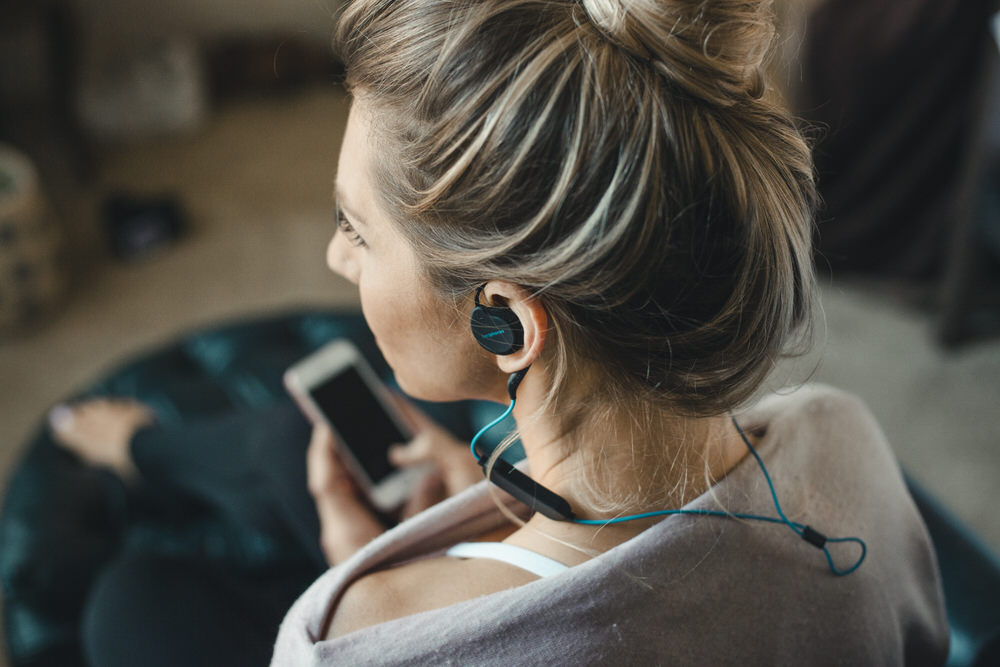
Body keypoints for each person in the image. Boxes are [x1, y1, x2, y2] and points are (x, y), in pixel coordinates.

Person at [50, 0, 948, 664]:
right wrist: (489, 521)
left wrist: (378, 582)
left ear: (507, 320)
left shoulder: (358, 634)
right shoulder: (844, 445)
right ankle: (154, 452)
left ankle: (148, 453)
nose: (333, 256)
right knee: (305, 443)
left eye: (358, 228)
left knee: (134, 601)